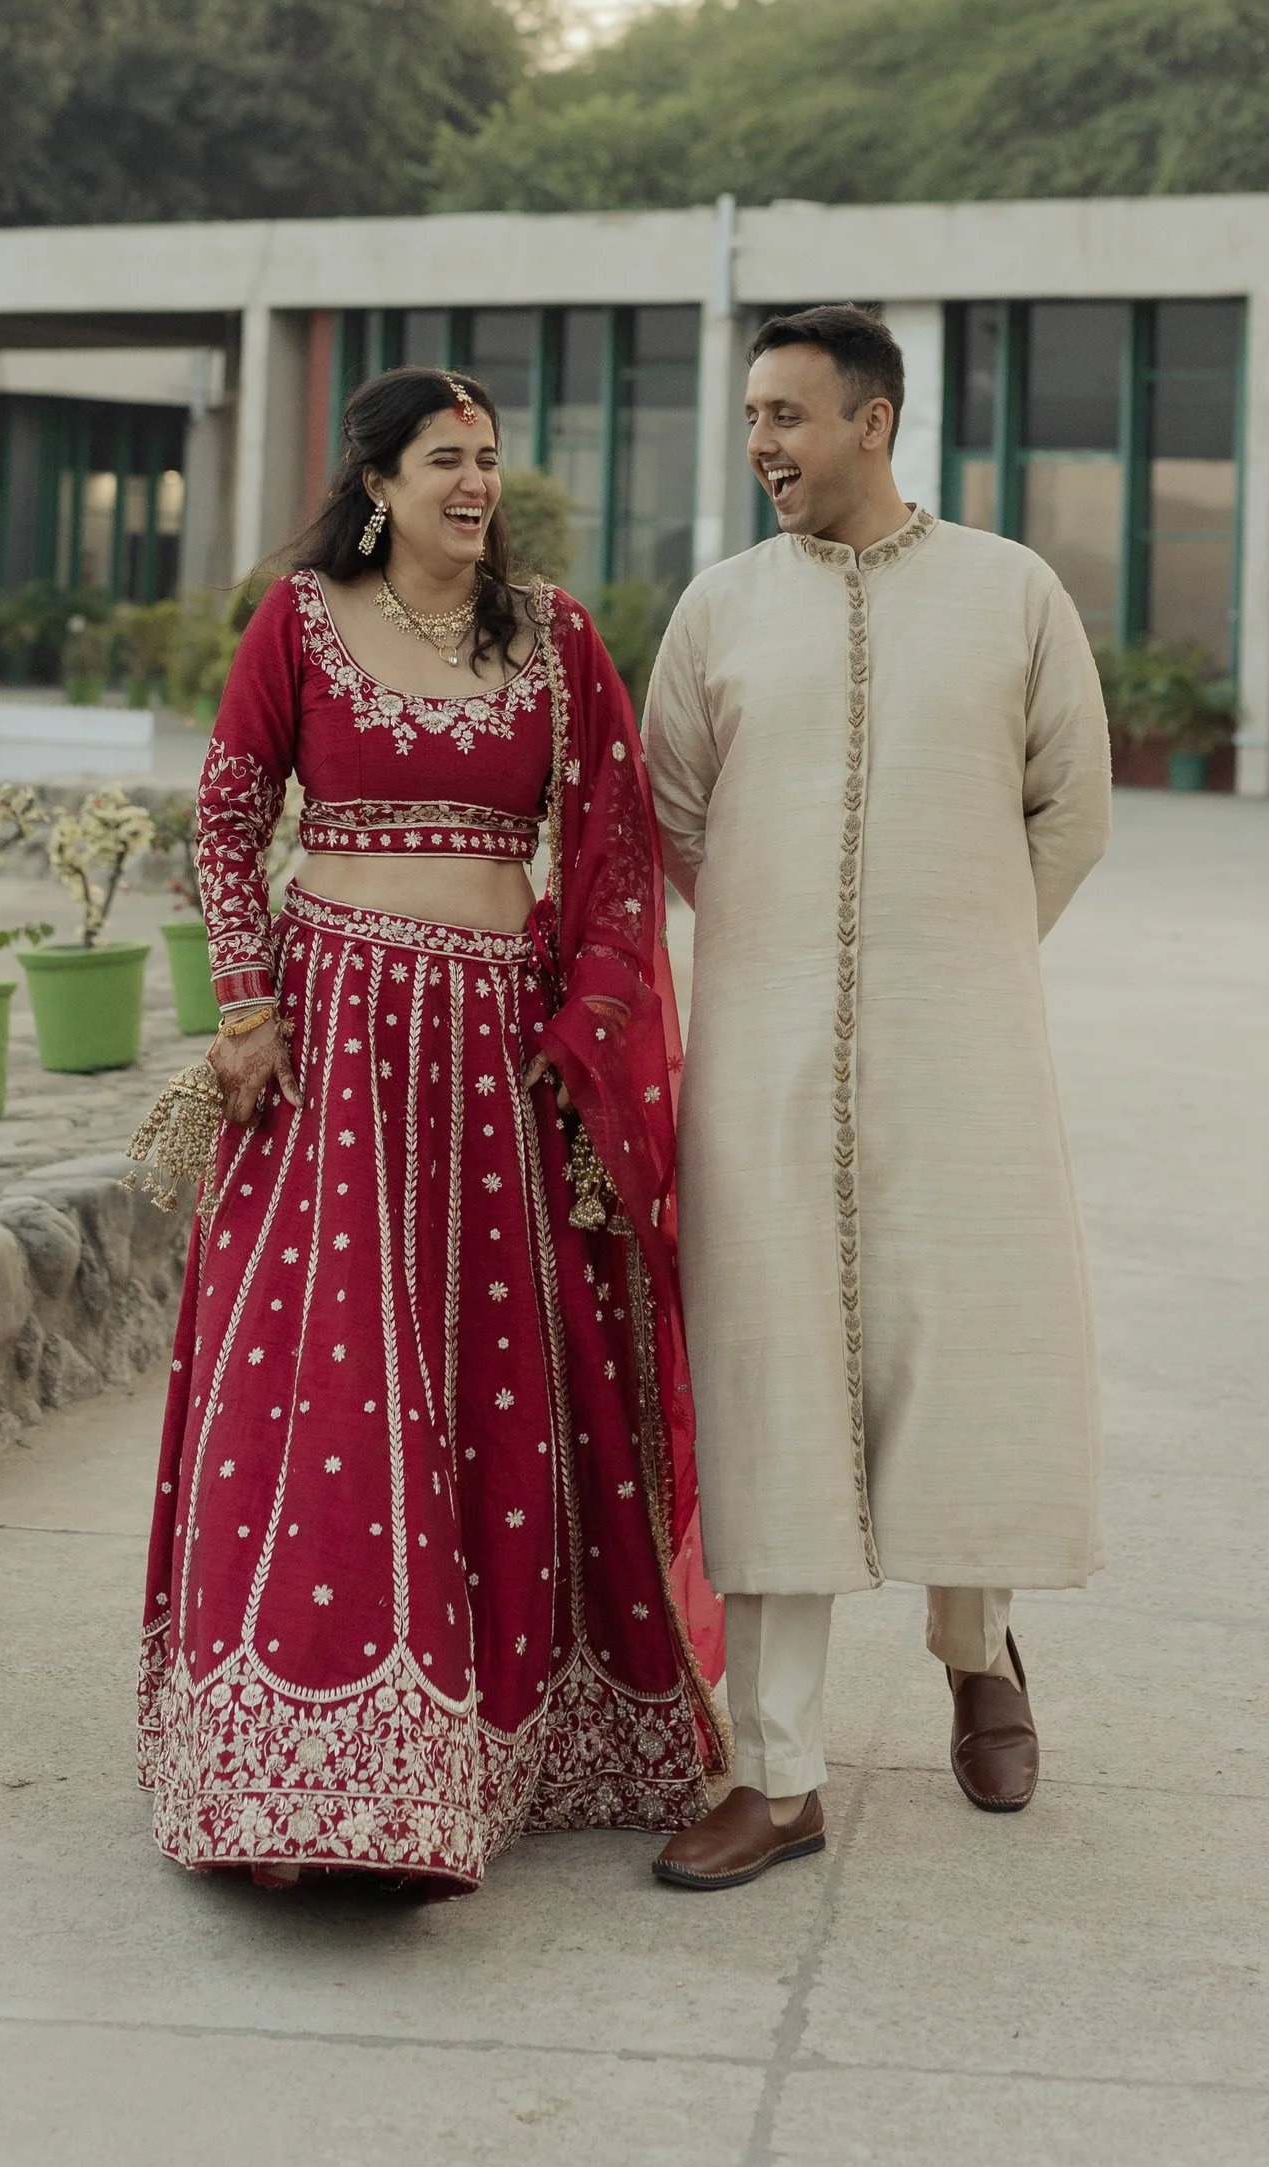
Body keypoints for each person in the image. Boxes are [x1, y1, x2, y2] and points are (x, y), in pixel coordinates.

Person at [138, 365, 725, 1890]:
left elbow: (610, 850)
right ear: (378, 482)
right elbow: (222, 804)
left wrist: (585, 1032)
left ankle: (473, 1752)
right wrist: (248, 1005)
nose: (475, 483)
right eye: (444, 459)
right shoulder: (303, 618)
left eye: (489, 459)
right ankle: (304, 1776)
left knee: (497, 1399)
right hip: (332, 1058)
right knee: (328, 1404)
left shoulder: (557, 635)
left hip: (493, 1069)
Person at [641, 304, 1111, 1891]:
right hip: (763, 1058)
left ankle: (980, 1650)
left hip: (963, 1051)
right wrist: (793, 964)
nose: (764, 442)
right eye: (752, 416)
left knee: (959, 1358)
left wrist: (958, 953)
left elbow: (1072, 808)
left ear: (875, 420)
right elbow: (677, 817)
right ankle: (777, 1773)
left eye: (789, 413)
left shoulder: (1011, 594)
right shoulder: (718, 612)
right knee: (774, 1386)